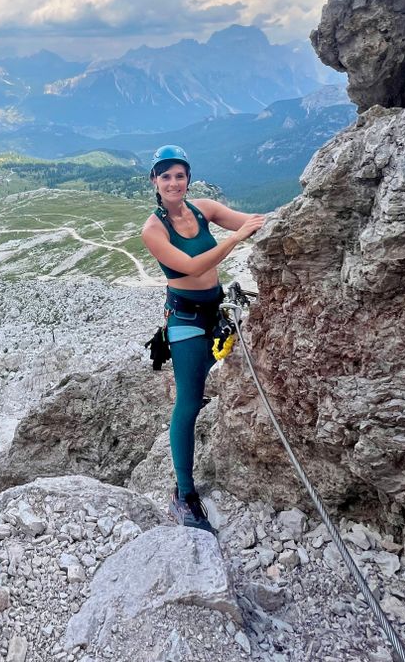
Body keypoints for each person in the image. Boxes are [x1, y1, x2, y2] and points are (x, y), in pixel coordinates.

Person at [141, 145, 265, 533]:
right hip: (186, 319)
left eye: (179, 175)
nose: (173, 183)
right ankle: (184, 494)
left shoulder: (204, 209)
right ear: (155, 181)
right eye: (166, 176)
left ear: (188, 179)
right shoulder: (153, 230)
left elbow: (253, 222)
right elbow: (194, 267)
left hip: (215, 310)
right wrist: (237, 238)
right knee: (189, 401)